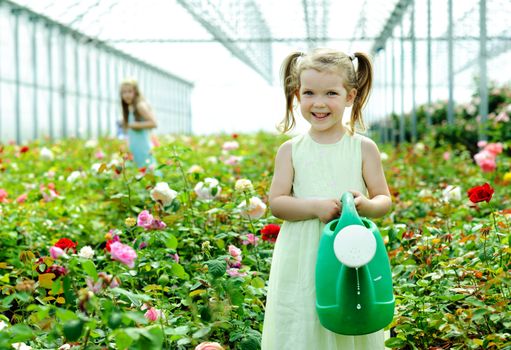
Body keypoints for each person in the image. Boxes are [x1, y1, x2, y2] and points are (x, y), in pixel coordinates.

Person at [261, 48, 392, 349]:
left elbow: (384, 199)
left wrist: (367, 205)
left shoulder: (363, 147)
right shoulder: (291, 150)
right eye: (309, 93)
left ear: (350, 96)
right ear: (297, 95)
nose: (319, 103)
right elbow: (277, 203)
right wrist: (314, 207)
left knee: (348, 311)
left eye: (331, 93)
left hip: (351, 251)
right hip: (303, 255)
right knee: (303, 317)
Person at [120, 78, 158, 169]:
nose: (126, 95)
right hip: (136, 149)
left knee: (148, 173)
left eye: (130, 91)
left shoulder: (140, 106)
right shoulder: (131, 108)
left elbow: (154, 123)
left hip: (143, 149)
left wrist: (136, 125)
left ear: (136, 92)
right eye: (124, 92)